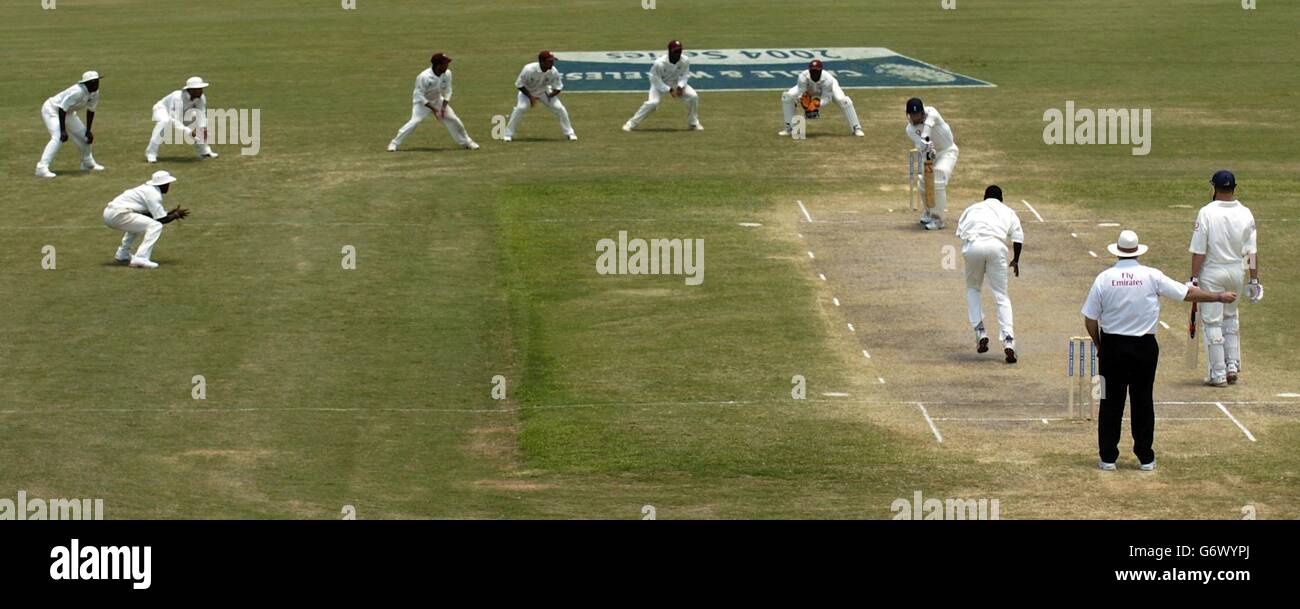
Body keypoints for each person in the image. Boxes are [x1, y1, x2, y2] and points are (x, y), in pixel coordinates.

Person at [1081, 230, 1236, 471]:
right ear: (1137, 251)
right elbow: (1187, 293)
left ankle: (1108, 457)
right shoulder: (1151, 275)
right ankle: (1145, 457)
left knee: (1110, 402)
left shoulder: (1104, 278)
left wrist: (1100, 344)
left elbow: (1090, 319)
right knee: (1143, 400)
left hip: (1113, 347)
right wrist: (1218, 296)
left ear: (1117, 251)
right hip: (1144, 347)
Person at [1189, 170, 1261, 386]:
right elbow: (1251, 252)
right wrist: (1254, 280)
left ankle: (1218, 373)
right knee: (1230, 317)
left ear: (1214, 188)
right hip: (1236, 272)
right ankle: (1232, 364)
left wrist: (1193, 278)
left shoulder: (1206, 212)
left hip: (1212, 271)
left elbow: (1199, 250)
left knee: (1212, 321)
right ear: (1234, 188)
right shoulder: (1246, 212)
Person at [955, 185, 1024, 363]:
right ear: (1001, 199)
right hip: (996, 247)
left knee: (973, 289)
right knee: (1001, 296)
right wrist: (1015, 260)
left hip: (973, 245)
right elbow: (1017, 238)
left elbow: (960, 233)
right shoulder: (1007, 211)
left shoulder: (972, 209)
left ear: (984, 197)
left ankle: (980, 331)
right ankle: (1009, 341)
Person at [388, 53, 480, 152]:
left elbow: (448, 90)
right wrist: (434, 109)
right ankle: (394, 143)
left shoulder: (447, 73)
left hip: (437, 100)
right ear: (438, 65)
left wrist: (443, 107)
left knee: (454, 120)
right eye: (445, 64)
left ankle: (466, 142)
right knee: (415, 122)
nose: (447, 66)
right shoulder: (424, 76)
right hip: (422, 103)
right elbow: (419, 94)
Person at [101, 171, 190, 269]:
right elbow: (161, 220)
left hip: (110, 213)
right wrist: (175, 215)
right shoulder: (154, 194)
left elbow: (150, 215)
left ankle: (123, 254)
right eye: (168, 184)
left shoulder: (147, 190)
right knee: (155, 226)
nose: (168, 186)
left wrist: (170, 214)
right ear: (163, 184)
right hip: (118, 214)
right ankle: (140, 258)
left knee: (139, 225)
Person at [36, 71, 105, 178]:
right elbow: (61, 108)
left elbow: (91, 110)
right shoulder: (77, 91)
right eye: (93, 82)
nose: (96, 84)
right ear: (86, 83)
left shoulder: (95, 93)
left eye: (97, 81)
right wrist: (63, 130)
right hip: (52, 110)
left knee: (84, 137)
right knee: (58, 137)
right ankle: (41, 168)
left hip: (68, 113)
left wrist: (88, 130)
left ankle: (87, 163)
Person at [623, 40, 701, 132]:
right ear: (669, 51)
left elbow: (685, 75)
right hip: (659, 83)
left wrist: (680, 86)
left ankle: (693, 123)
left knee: (693, 96)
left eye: (679, 51)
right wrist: (669, 89)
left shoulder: (685, 60)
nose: (678, 54)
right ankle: (631, 124)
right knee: (653, 103)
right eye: (675, 52)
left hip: (675, 82)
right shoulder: (659, 63)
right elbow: (654, 79)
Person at [904, 97, 957, 230]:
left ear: (922, 113)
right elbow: (922, 147)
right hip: (930, 155)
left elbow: (928, 126)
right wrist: (927, 149)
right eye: (911, 115)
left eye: (917, 114)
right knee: (923, 182)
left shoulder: (932, 112)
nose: (914, 118)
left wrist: (925, 138)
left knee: (937, 179)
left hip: (947, 152)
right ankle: (928, 211)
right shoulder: (910, 129)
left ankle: (938, 220)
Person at [778, 60, 864, 138]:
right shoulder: (802, 77)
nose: (815, 73)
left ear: (821, 71)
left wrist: (817, 103)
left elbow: (827, 98)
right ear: (809, 71)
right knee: (787, 96)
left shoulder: (828, 80)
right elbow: (802, 93)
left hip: (829, 88)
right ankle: (788, 128)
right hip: (809, 88)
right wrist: (806, 104)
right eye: (812, 71)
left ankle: (856, 128)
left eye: (817, 71)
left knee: (844, 101)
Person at [503, 50, 576, 142]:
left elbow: (558, 87)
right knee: (520, 108)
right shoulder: (528, 69)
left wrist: (551, 95)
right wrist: (531, 97)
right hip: (527, 92)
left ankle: (570, 133)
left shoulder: (553, 71)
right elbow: (519, 85)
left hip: (544, 91)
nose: (552, 63)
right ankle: (508, 134)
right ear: (542, 62)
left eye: (553, 61)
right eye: (550, 61)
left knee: (560, 108)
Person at [146, 76, 220, 163]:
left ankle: (204, 151)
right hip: (162, 109)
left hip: (184, 112)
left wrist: (203, 128)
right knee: (165, 122)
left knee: (197, 123)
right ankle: (151, 153)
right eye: (198, 89)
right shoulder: (178, 98)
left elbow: (201, 113)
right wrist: (189, 132)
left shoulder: (201, 97)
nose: (201, 91)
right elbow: (175, 120)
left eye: (201, 88)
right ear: (190, 90)